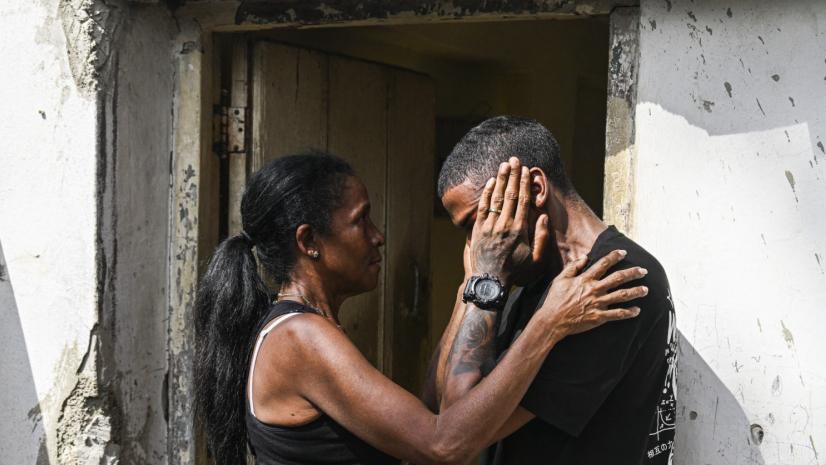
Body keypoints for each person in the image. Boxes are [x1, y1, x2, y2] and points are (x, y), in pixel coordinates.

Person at [193, 152, 650, 465]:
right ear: (310, 242)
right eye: (361, 220)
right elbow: (442, 444)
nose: (377, 235)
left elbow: (428, 415)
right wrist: (547, 324)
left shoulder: (308, 330)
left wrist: (475, 285)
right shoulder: (299, 338)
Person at [431, 116, 678, 465]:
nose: (476, 243)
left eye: (478, 221)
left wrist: (487, 277)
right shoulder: (529, 283)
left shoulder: (610, 280)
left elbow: (455, 435)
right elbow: (436, 405)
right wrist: (475, 282)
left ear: (534, 189)